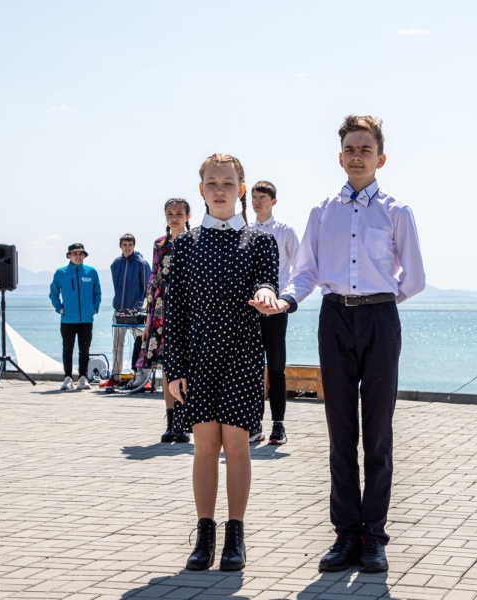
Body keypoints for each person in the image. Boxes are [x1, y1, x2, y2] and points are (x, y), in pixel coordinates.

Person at [254, 115, 426, 573]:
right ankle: (346, 534)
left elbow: (414, 278)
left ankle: (374, 537)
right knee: (340, 433)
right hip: (333, 319)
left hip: (380, 321)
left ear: (380, 158)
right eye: (350, 149)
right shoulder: (322, 211)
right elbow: (306, 271)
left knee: (378, 434)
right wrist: (286, 299)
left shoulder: (397, 211)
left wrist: (379, 302)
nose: (357, 156)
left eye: (365, 149)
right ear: (339, 156)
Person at [165, 153, 279, 571]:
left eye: (228, 183)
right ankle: (204, 535)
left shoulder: (260, 241)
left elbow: (268, 280)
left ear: (241, 189)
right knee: (204, 447)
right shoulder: (184, 245)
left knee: (237, 445)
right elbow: (174, 312)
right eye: (212, 183)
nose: (219, 190)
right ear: (201, 190)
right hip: (198, 357)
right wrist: (174, 369)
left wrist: (266, 292)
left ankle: (236, 536)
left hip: (242, 354)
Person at [134, 198, 192, 443]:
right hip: (162, 308)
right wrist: (149, 316)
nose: (174, 218)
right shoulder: (160, 244)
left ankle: (185, 421)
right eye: (170, 214)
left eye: (179, 213)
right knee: (169, 365)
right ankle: (171, 422)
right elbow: (154, 278)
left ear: (188, 216)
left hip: (188, 308)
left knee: (187, 365)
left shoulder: (196, 241)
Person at [249, 181, 299, 445]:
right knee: (252, 368)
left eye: (263, 197)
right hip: (250, 310)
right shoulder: (245, 232)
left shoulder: (285, 231)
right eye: (254, 197)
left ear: (274, 201)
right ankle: (253, 424)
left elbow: (299, 269)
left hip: (277, 308)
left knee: (277, 367)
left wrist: (284, 300)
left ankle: (278, 425)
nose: (257, 202)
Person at [50, 243, 102, 390]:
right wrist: (59, 308)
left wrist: (94, 308)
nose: (78, 256)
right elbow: (53, 293)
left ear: (84, 256)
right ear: (69, 256)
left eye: (80, 254)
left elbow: (97, 292)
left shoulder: (91, 272)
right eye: (75, 254)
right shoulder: (61, 273)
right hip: (68, 319)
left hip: (86, 319)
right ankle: (67, 378)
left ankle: (82, 378)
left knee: (84, 350)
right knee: (67, 349)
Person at [110, 234, 150, 383]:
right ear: (120, 246)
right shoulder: (115, 264)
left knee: (140, 344)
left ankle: (141, 376)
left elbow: (147, 290)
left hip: (137, 313)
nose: (127, 248)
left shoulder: (142, 264)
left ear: (134, 246)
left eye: (130, 245)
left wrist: (145, 310)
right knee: (117, 345)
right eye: (125, 245)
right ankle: (115, 376)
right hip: (119, 311)